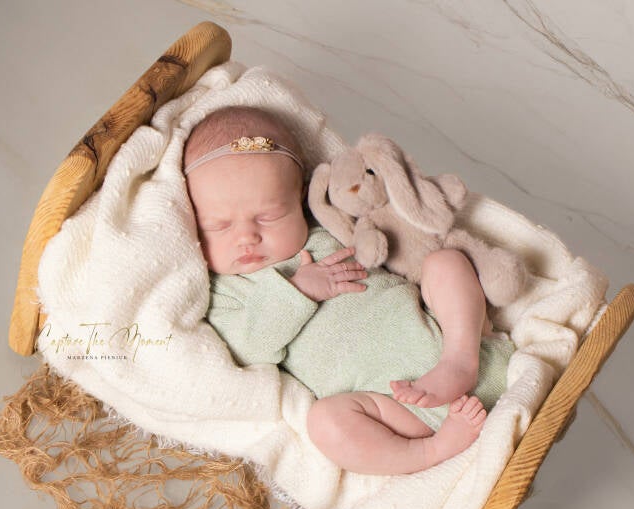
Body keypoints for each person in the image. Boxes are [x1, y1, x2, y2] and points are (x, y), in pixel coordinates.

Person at [184, 106, 514, 475]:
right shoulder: (225, 292)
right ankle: (430, 451)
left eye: (268, 216)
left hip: (453, 339)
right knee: (326, 422)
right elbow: (250, 346)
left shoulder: (326, 228)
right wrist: (297, 290)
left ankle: (459, 360)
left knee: (446, 263)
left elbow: (387, 231)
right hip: (396, 407)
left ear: (301, 198)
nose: (246, 237)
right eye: (219, 226)